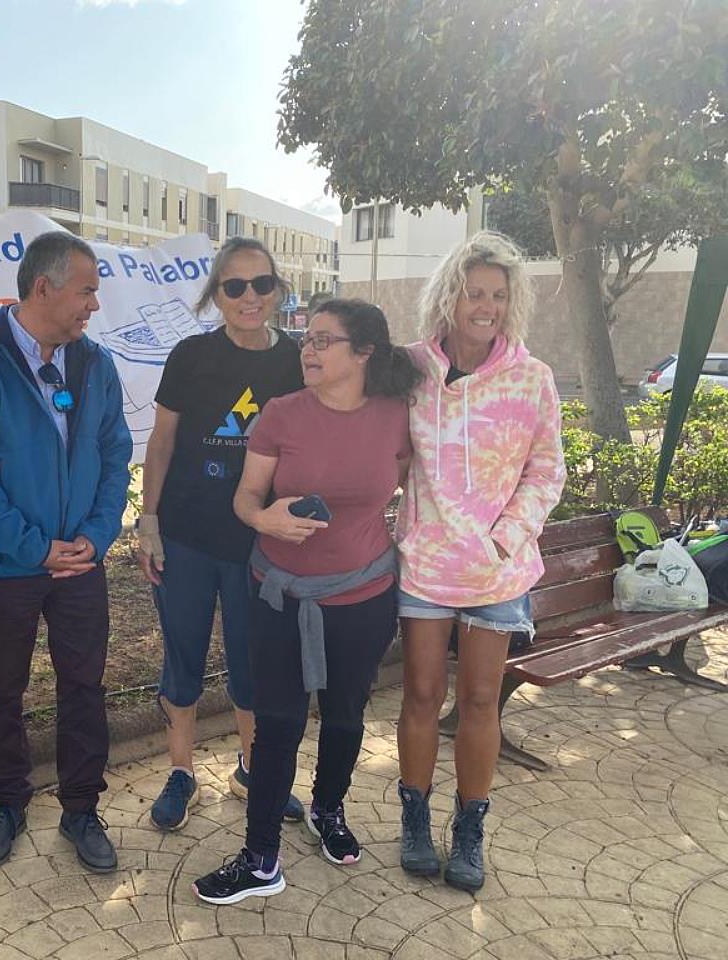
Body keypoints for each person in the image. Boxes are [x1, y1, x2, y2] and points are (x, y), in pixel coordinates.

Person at [193, 299, 419, 904]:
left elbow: (403, 478)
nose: (308, 349)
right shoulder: (282, 413)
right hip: (279, 594)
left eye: (324, 340)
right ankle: (260, 857)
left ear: (364, 352)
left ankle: (327, 809)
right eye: (306, 339)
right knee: (278, 724)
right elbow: (246, 497)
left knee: (345, 715)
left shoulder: (396, 414)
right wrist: (263, 517)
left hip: (364, 594)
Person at [0, 231, 132, 874]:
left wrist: (96, 536)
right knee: (1, 687)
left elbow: (115, 456)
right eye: (87, 291)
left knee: (84, 686)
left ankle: (82, 809)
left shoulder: (96, 365)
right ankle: (6, 804)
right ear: (44, 288)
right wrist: (33, 548)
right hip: (7, 566)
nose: (94, 305)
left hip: (81, 562)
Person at [395, 231, 566, 892]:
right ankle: (414, 818)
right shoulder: (411, 370)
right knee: (420, 694)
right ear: (449, 297)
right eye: (474, 293)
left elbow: (546, 471)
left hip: (497, 571)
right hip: (427, 566)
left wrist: (506, 537)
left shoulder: (532, 378)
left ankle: (470, 828)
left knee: (479, 699)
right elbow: (381, 447)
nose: (485, 305)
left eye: (497, 294)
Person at [136, 237, 306, 832]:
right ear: (217, 294)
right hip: (184, 536)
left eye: (262, 284)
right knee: (182, 656)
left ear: (278, 290)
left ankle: (252, 771)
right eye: (235, 286)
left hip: (257, 542)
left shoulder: (297, 361)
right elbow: (161, 443)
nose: (249, 297)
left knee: (252, 663)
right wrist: (148, 522)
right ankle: (182, 773)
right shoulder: (190, 356)